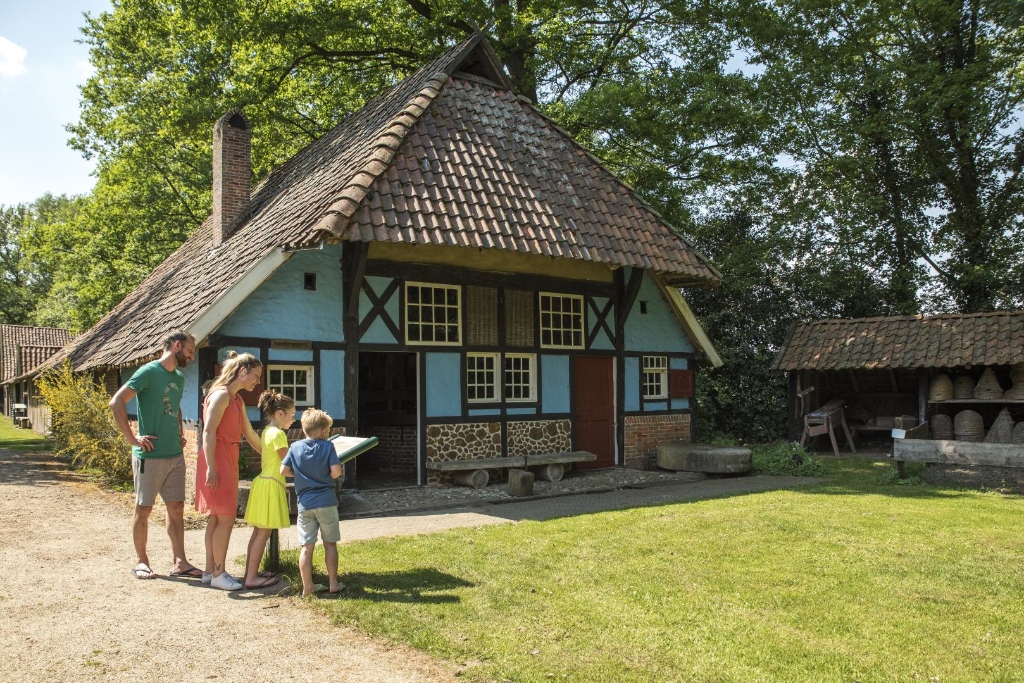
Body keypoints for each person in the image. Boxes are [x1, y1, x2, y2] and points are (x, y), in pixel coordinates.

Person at [110, 329, 201, 580]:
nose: (191, 357)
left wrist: (179, 430)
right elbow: (116, 402)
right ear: (176, 346)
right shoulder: (148, 371)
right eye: (190, 351)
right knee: (144, 508)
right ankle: (141, 561)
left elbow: (175, 405)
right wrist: (132, 438)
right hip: (149, 456)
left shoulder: (179, 377)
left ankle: (180, 562)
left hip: (174, 454)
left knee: (177, 507)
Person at [194, 351, 263, 591]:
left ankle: (209, 571)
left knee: (216, 517)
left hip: (227, 455)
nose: (257, 381)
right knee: (226, 518)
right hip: (218, 456)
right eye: (255, 375)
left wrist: (272, 454)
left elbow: (250, 433)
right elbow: (208, 432)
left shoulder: (237, 399)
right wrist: (212, 467)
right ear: (242, 372)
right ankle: (219, 573)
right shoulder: (222, 395)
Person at [280, 408, 343, 597]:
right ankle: (333, 583)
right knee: (330, 544)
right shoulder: (327, 446)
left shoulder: (295, 447)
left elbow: (283, 470)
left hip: (305, 504)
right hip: (326, 502)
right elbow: (336, 472)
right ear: (323, 431)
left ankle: (307, 586)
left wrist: (299, 475)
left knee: (307, 547)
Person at [241, 390, 294, 589]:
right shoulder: (279, 434)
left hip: (263, 482)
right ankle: (252, 578)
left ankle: (251, 572)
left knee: (258, 533)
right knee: (262, 534)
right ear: (280, 414)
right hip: (271, 485)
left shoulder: (267, 431)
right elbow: (287, 464)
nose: (293, 419)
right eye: (292, 415)